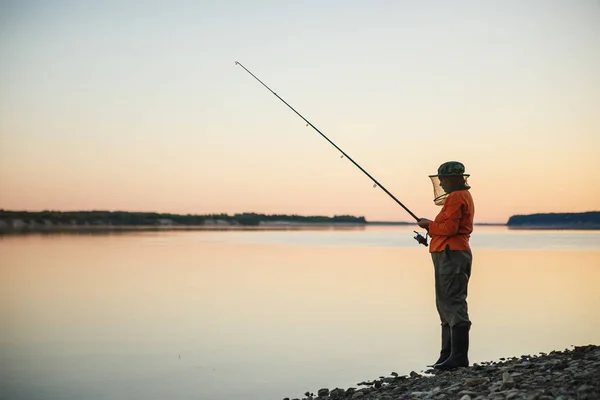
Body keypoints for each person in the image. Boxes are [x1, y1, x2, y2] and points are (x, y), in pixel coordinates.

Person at [417, 161, 475, 370]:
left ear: (454, 179)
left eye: (443, 178)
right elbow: (448, 226)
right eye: (439, 178)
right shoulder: (459, 197)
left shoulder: (457, 197)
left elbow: (450, 228)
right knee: (444, 302)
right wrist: (432, 227)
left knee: (453, 301)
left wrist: (428, 225)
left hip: (452, 253)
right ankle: (446, 355)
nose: (440, 181)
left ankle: (458, 357)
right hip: (448, 252)